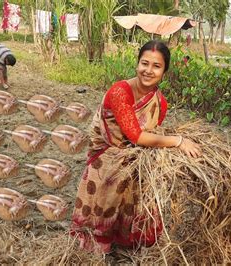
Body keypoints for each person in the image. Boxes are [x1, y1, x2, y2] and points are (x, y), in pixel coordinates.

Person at [70, 40, 202, 253]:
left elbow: (150, 136)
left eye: (156, 66)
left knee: (142, 178)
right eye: (144, 63)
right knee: (114, 175)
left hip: (135, 154)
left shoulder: (160, 102)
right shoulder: (120, 91)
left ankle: (127, 238)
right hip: (106, 153)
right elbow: (137, 136)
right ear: (137, 64)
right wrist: (178, 141)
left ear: (164, 71)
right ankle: (98, 240)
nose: (148, 71)